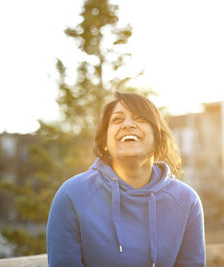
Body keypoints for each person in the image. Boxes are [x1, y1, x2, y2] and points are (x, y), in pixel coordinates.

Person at [47, 91, 205, 267]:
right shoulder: (72, 195)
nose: (128, 124)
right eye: (117, 119)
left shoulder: (186, 201)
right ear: (105, 141)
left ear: (158, 137)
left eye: (139, 118)